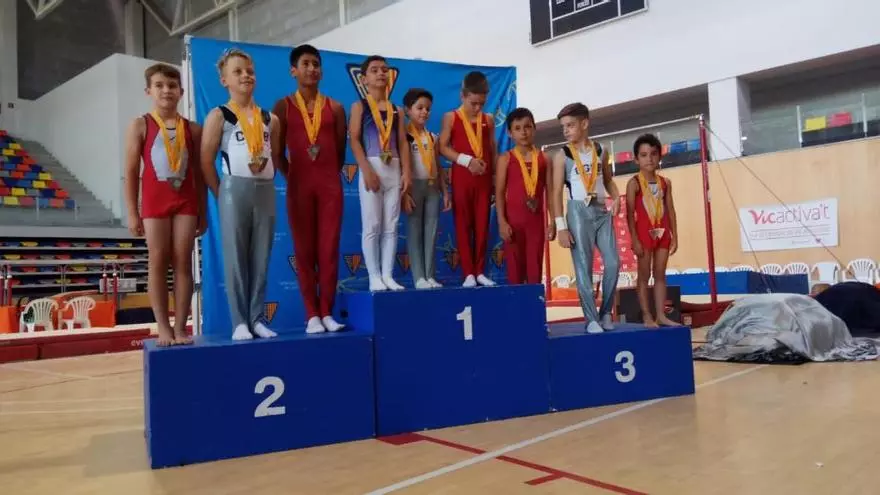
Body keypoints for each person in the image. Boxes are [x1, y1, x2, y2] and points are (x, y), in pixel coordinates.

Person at [200, 48, 280, 341]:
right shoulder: (219, 116)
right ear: (224, 80)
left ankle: (256, 318)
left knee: (261, 257)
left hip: (265, 190)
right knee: (236, 257)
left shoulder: (270, 118)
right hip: (234, 189)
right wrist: (221, 192)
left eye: (250, 71)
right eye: (238, 71)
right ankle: (239, 322)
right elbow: (205, 160)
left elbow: (274, 155)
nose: (246, 75)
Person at [124, 63, 205, 347]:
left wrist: (203, 212)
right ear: (148, 90)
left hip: (186, 201)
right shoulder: (140, 125)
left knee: (183, 261)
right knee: (157, 260)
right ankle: (162, 327)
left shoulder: (193, 129)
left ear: (181, 92)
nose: (166, 91)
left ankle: (181, 326)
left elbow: (199, 173)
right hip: (154, 201)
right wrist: (132, 212)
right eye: (159, 85)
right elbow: (131, 171)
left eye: (172, 86)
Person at [271, 45, 347, 334]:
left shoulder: (335, 108)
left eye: (316, 64)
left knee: (328, 250)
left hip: (329, 188)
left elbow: (339, 151)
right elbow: (277, 152)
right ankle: (312, 314)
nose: (312, 69)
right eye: (306, 63)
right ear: (293, 70)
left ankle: (327, 311)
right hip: (298, 187)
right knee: (303, 252)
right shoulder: (283, 107)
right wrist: (293, 176)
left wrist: (326, 176)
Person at [551, 102, 621, 334]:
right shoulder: (563, 155)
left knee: (613, 262)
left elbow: (607, 180)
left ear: (584, 123)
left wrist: (616, 197)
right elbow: (555, 193)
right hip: (577, 211)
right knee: (583, 266)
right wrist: (561, 226)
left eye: (570, 125)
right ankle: (591, 319)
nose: (566, 130)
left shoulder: (601, 150)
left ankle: (606, 312)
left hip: (601, 210)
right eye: (563, 127)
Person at [349, 55, 412, 292]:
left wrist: (406, 172)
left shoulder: (397, 110)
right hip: (372, 166)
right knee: (372, 224)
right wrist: (366, 169)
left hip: (393, 167)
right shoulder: (359, 107)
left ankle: (388, 275)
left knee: (391, 225)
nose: (381, 73)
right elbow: (354, 140)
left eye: (384, 70)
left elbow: (402, 142)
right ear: (364, 79)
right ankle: (374, 276)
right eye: (374, 70)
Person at [439, 71, 497, 288]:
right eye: (473, 103)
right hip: (463, 177)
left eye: (482, 103)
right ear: (462, 96)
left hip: (483, 179)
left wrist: (494, 177)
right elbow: (442, 147)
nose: (478, 108)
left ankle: (480, 271)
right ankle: (468, 273)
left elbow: (492, 148)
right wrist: (466, 160)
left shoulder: (488, 120)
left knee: (482, 225)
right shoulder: (451, 117)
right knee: (463, 224)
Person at [495, 107, 555, 284]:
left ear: (534, 129)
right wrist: (502, 222)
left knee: (535, 272)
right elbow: (499, 193)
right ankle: (516, 304)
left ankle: (534, 303)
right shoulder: (505, 159)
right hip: (513, 224)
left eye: (527, 127)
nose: (523, 132)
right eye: (517, 128)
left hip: (536, 224)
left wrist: (553, 222)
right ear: (510, 133)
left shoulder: (545, 159)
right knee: (515, 274)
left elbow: (551, 192)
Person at [626, 133, 679, 327]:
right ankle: (647, 315)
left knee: (660, 274)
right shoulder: (634, 183)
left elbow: (671, 210)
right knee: (644, 275)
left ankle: (661, 315)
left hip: (663, 232)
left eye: (653, 154)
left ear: (659, 156)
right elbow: (629, 214)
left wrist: (675, 236)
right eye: (644, 155)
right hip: (643, 234)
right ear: (636, 159)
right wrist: (634, 239)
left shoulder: (665, 183)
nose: (649, 159)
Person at [401, 88, 451, 289]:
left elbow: (438, 165)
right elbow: (401, 167)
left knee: (431, 231)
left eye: (428, 109)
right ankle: (418, 277)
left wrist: (445, 191)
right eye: (419, 108)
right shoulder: (403, 135)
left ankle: (430, 275)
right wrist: (404, 193)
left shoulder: (432, 137)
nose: (424, 112)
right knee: (414, 231)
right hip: (413, 186)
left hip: (432, 187)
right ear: (408, 110)